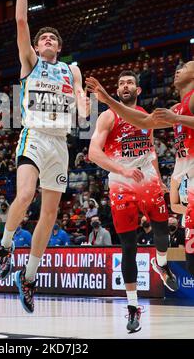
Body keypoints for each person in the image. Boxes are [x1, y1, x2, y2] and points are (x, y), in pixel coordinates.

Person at [0, 0, 90, 314]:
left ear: (59, 48)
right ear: (36, 48)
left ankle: (29, 276)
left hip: (60, 143)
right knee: (26, 194)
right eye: (43, 38)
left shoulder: (71, 69)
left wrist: (82, 107)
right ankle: (5, 246)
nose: (47, 39)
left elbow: (81, 96)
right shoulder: (30, 64)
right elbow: (21, 20)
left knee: (49, 216)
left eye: (52, 38)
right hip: (34, 135)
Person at [87, 70, 177, 333]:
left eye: (129, 83)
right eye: (120, 83)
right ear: (117, 91)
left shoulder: (145, 116)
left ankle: (160, 264)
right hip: (121, 181)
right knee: (129, 246)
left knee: (163, 233)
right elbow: (93, 152)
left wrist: (159, 178)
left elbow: (150, 151)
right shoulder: (107, 115)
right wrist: (122, 170)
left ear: (138, 90)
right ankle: (132, 307)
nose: (124, 86)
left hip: (147, 178)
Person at [86, 61, 194, 274]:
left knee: (165, 234)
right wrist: (107, 99)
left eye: (185, 67)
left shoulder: (185, 106)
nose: (178, 70)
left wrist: (177, 119)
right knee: (191, 263)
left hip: (162, 180)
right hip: (185, 187)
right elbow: (144, 122)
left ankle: (161, 264)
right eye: (177, 68)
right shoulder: (176, 108)